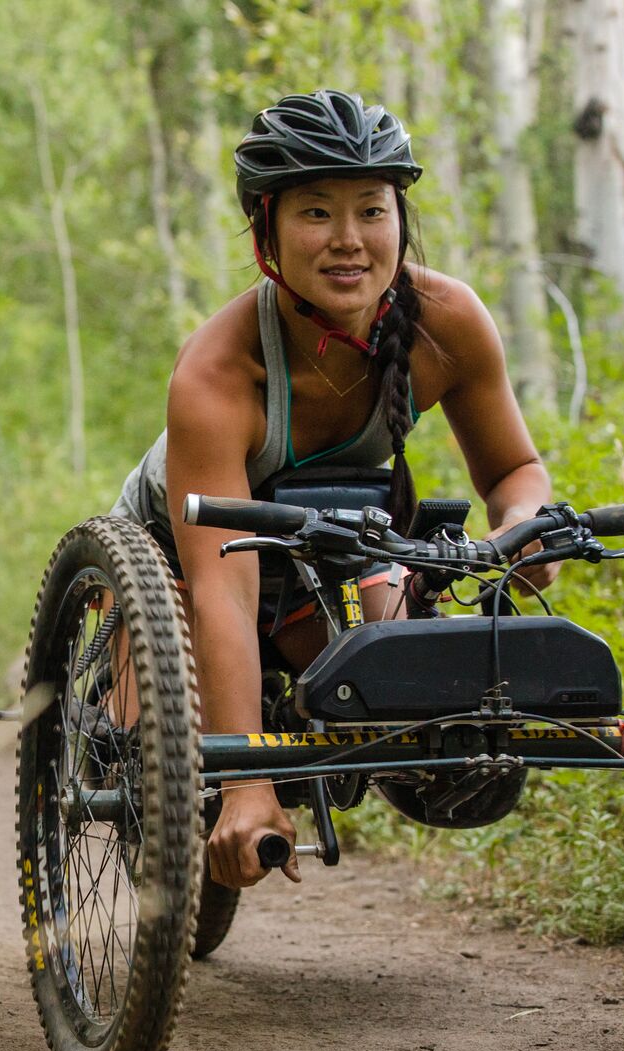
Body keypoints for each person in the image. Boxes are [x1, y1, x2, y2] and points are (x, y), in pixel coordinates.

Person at [109, 89, 557, 890]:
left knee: (401, 698)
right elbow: (222, 590)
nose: (348, 241)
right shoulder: (218, 368)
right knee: (164, 782)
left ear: (399, 219)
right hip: (181, 565)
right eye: (316, 213)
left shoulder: (447, 320)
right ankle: (198, 769)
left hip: (328, 552)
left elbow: (513, 473)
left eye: (371, 212)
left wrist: (523, 527)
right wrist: (243, 782)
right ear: (266, 231)